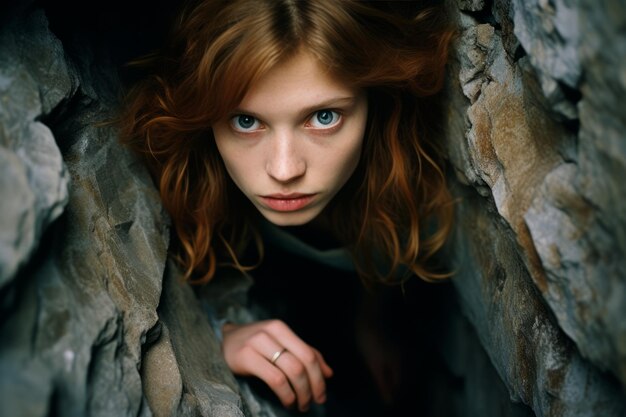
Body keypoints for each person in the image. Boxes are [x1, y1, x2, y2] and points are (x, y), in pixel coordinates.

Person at [119, 0, 454, 415]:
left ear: (376, 99)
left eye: (324, 116)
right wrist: (219, 334)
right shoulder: (177, 178)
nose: (284, 169)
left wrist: (374, 320)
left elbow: (387, 236)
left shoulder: (415, 180)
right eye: (245, 121)